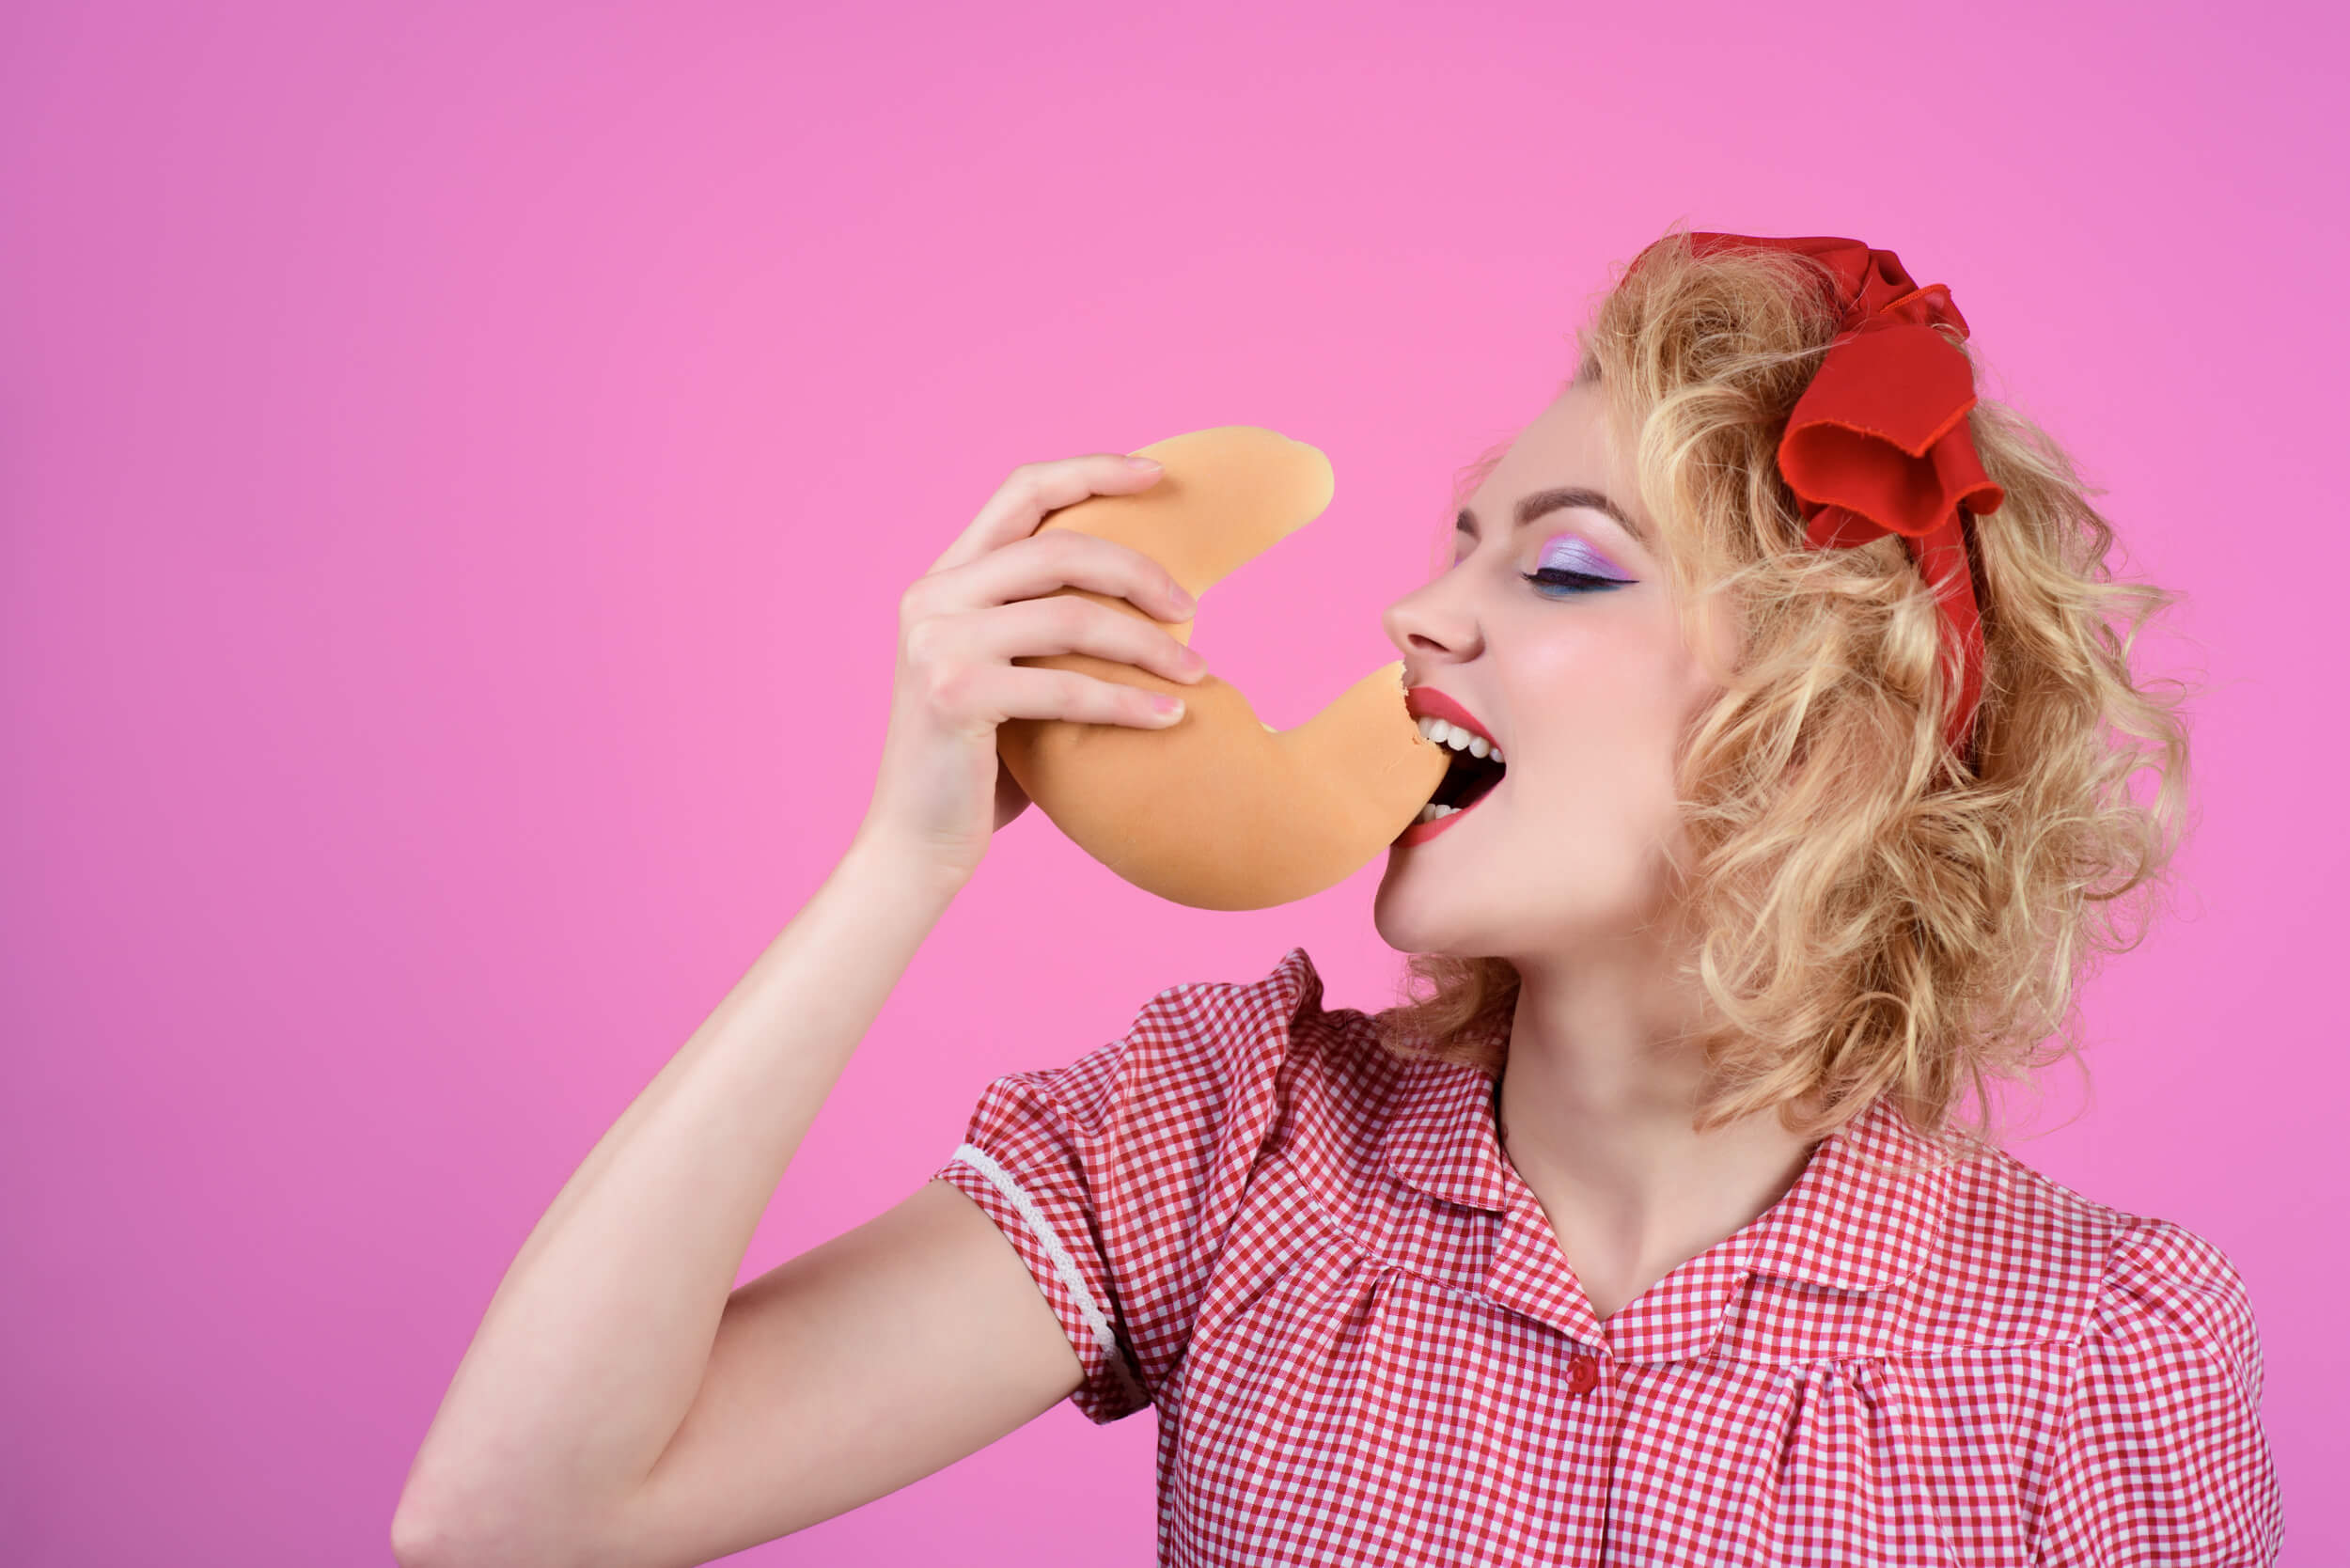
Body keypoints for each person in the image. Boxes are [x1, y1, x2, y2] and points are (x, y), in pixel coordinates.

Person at [390, 228, 2284, 1567]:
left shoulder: (2096, 1352)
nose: (1411, 615)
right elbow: (513, 1516)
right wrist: (908, 861)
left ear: (1821, 735)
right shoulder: (1230, 1145)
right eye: (1451, 542)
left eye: (1558, 569)